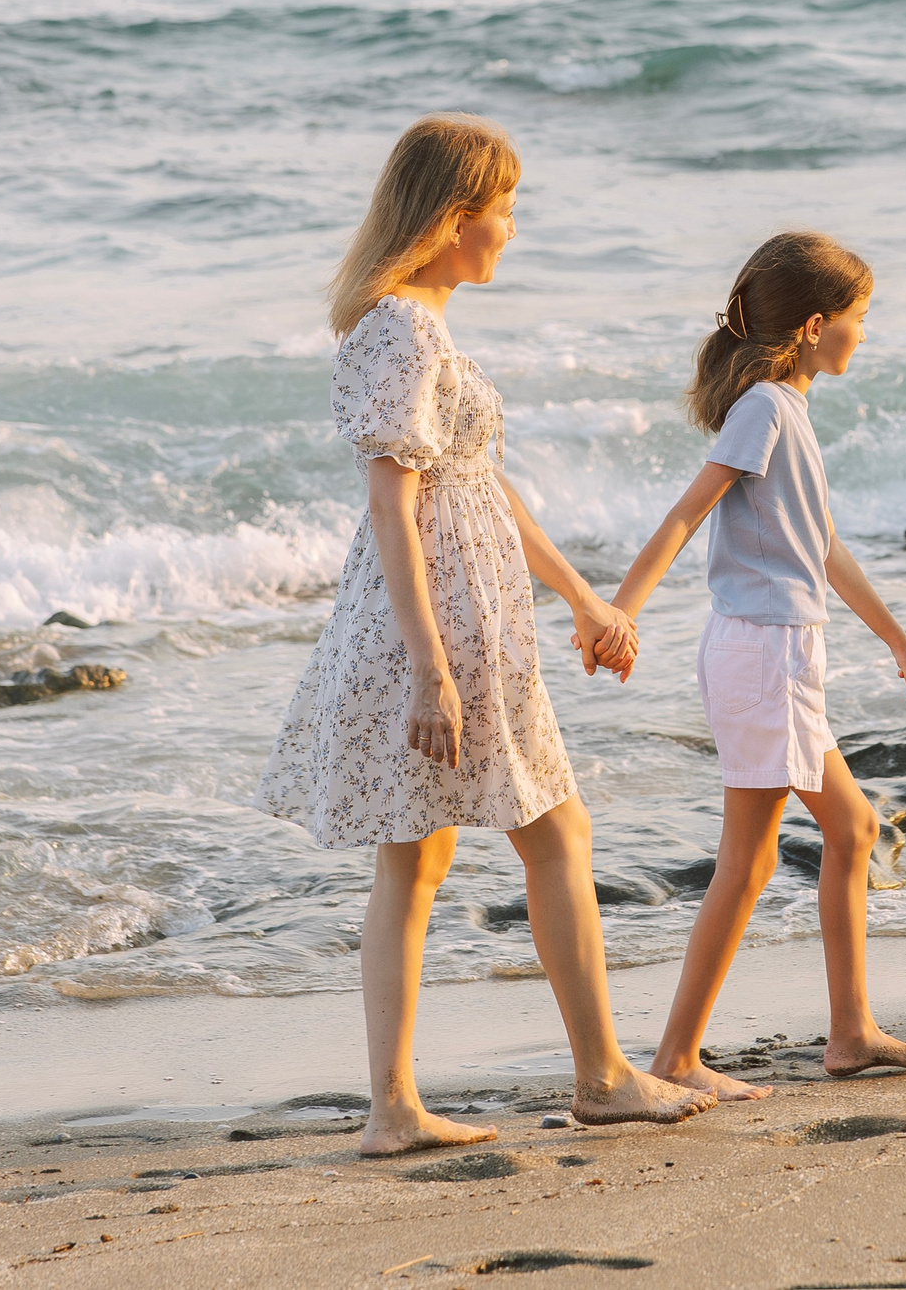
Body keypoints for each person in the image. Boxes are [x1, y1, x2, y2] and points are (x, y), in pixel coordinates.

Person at [257, 113, 712, 1155]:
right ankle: (597, 1077)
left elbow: (480, 489)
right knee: (552, 833)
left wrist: (586, 601)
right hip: (440, 631)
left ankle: (394, 1107)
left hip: (458, 617)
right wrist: (430, 671)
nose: (511, 230)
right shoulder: (404, 331)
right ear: (455, 217)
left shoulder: (409, 324)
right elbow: (392, 507)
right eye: (503, 209)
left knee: (416, 861)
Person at [609, 231, 906, 1098]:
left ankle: (847, 1031)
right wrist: (620, 609)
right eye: (857, 317)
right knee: (764, 855)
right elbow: (688, 514)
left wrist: (899, 640)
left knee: (848, 830)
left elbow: (822, 546)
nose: (864, 334)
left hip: (778, 650)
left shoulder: (786, 409)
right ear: (812, 325)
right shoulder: (764, 406)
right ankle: (683, 1056)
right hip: (763, 652)